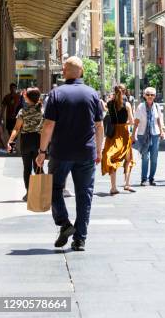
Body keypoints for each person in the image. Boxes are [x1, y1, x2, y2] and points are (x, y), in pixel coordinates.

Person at [36, 57, 104, 252]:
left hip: (60, 152)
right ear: (82, 72)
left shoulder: (56, 94)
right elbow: (99, 127)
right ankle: (80, 239)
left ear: (64, 72)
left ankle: (64, 223)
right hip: (86, 152)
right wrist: (98, 150)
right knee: (85, 195)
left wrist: (42, 151)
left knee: (54, 189)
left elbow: (48, 125)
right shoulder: (92, 94)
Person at [7, 88, 43, 201]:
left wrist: (10, 141)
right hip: (39, 140)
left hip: (26, 141)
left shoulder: (23, 111)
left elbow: (16, 128)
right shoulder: (42, 111)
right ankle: (41, 193)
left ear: (27, 97)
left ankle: (29, 193)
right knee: (39, 167)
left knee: (27, 168)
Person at [101, 84, 135, 195]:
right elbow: (132, 121)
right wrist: (125, 123)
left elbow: (106, 110)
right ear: (125, 92)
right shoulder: (127, 104)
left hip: (112, 133)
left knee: (112, 158)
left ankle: (113, 187)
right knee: (128, 159)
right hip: (123, 132)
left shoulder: (110, 104)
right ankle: (127, 184)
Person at [132, 87, 165, 186]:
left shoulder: (157, 106)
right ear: (144, 96)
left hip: (155, 134)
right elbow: (136, 122)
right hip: (143, 135)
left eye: (152, 95)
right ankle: (144, 179)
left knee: (154, 158)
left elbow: (159, 119)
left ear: (155, 96)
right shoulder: (140, 107)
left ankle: (152, 178)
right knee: (145, 157)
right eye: (148, 94)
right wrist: (133, 134)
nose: (150, 96)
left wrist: (162, 131)